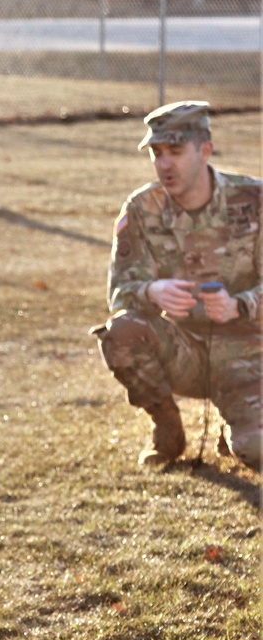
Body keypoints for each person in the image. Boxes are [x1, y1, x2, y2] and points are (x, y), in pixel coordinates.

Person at [94, 101, 261, 471]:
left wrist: (241, 305)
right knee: (121, 332)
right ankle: (167, 429)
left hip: (248, 354)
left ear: (205, 150)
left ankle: (235, 430)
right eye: (156, 152)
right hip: (184, 351)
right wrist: (151, 291)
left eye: (175, 151)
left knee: (257, 449)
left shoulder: (254, 200)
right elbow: (120, 290)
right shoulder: (142, 209)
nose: (164, 163)